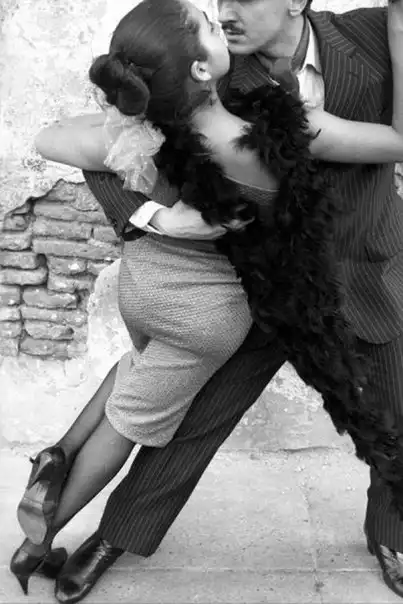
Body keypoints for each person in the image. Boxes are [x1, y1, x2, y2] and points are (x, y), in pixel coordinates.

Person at [10, 0, 403, 601]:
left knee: (395, 412)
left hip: (365, 267)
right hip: (247, 291)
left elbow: (90, 138)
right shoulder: (232, 90)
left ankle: (392, 537)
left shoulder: (366, 34)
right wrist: (156, 215)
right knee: (189, 423)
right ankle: (114, 534)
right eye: (218, 9)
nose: (227, 12)